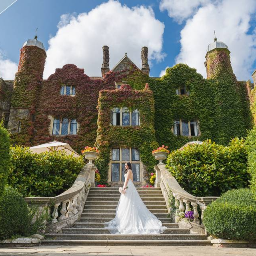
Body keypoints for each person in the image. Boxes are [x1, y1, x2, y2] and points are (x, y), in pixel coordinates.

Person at [105, 162, 167, 234]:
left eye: (126, 165)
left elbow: (127, 180)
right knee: (128, 201)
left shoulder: (129, 171)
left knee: (129, 201)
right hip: (129, 185)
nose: (125, 166)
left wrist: (124, 188)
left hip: (128, 186)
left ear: (128, 165)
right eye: (124, 165)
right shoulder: (129, 171)